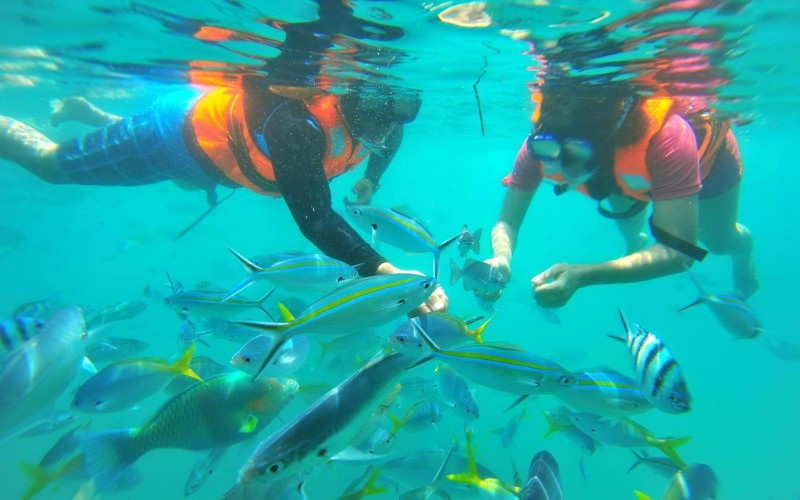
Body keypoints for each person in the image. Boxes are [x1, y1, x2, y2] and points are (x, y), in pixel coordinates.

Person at [0, 80, 448, 314]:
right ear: (357, 104)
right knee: (52, 166)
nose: (393, 124)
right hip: (171, 138)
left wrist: (372, 179)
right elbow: (316, 220)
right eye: (388, 113)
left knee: (174, 175)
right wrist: (383, 271)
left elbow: (391, 139)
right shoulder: (298, 127)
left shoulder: (379, 122)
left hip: (220, 165)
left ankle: (89, 113)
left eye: (404, 111)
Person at [481, 82, 757, 309]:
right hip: (623, 174)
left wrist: (584, 275)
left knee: (718, 241)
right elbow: (507, 222)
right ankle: (635, 244)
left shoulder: (669, 137)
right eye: (549, 150)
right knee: (613, 188)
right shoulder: (543, 142)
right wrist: (501, 258)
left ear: (609, 144)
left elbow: (681, 252)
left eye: (575, 156)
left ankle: (743, 249)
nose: (562, 165)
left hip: (708, 166)